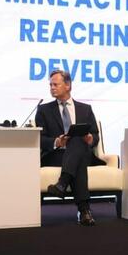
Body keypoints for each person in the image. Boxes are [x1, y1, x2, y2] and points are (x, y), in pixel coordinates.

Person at [36, 70, 103, 226]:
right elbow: (39, 139)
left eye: (55, 84)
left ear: (68, 85)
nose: (52, 88)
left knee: (77, 139)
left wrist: (90, 139)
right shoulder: (44, 110)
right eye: (50, 85)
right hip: (57, 155)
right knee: (78, 156)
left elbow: (95, 135)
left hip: (81, 153)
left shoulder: (85, 109)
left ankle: (62, 183)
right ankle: (84, 210)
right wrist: (56, 142)